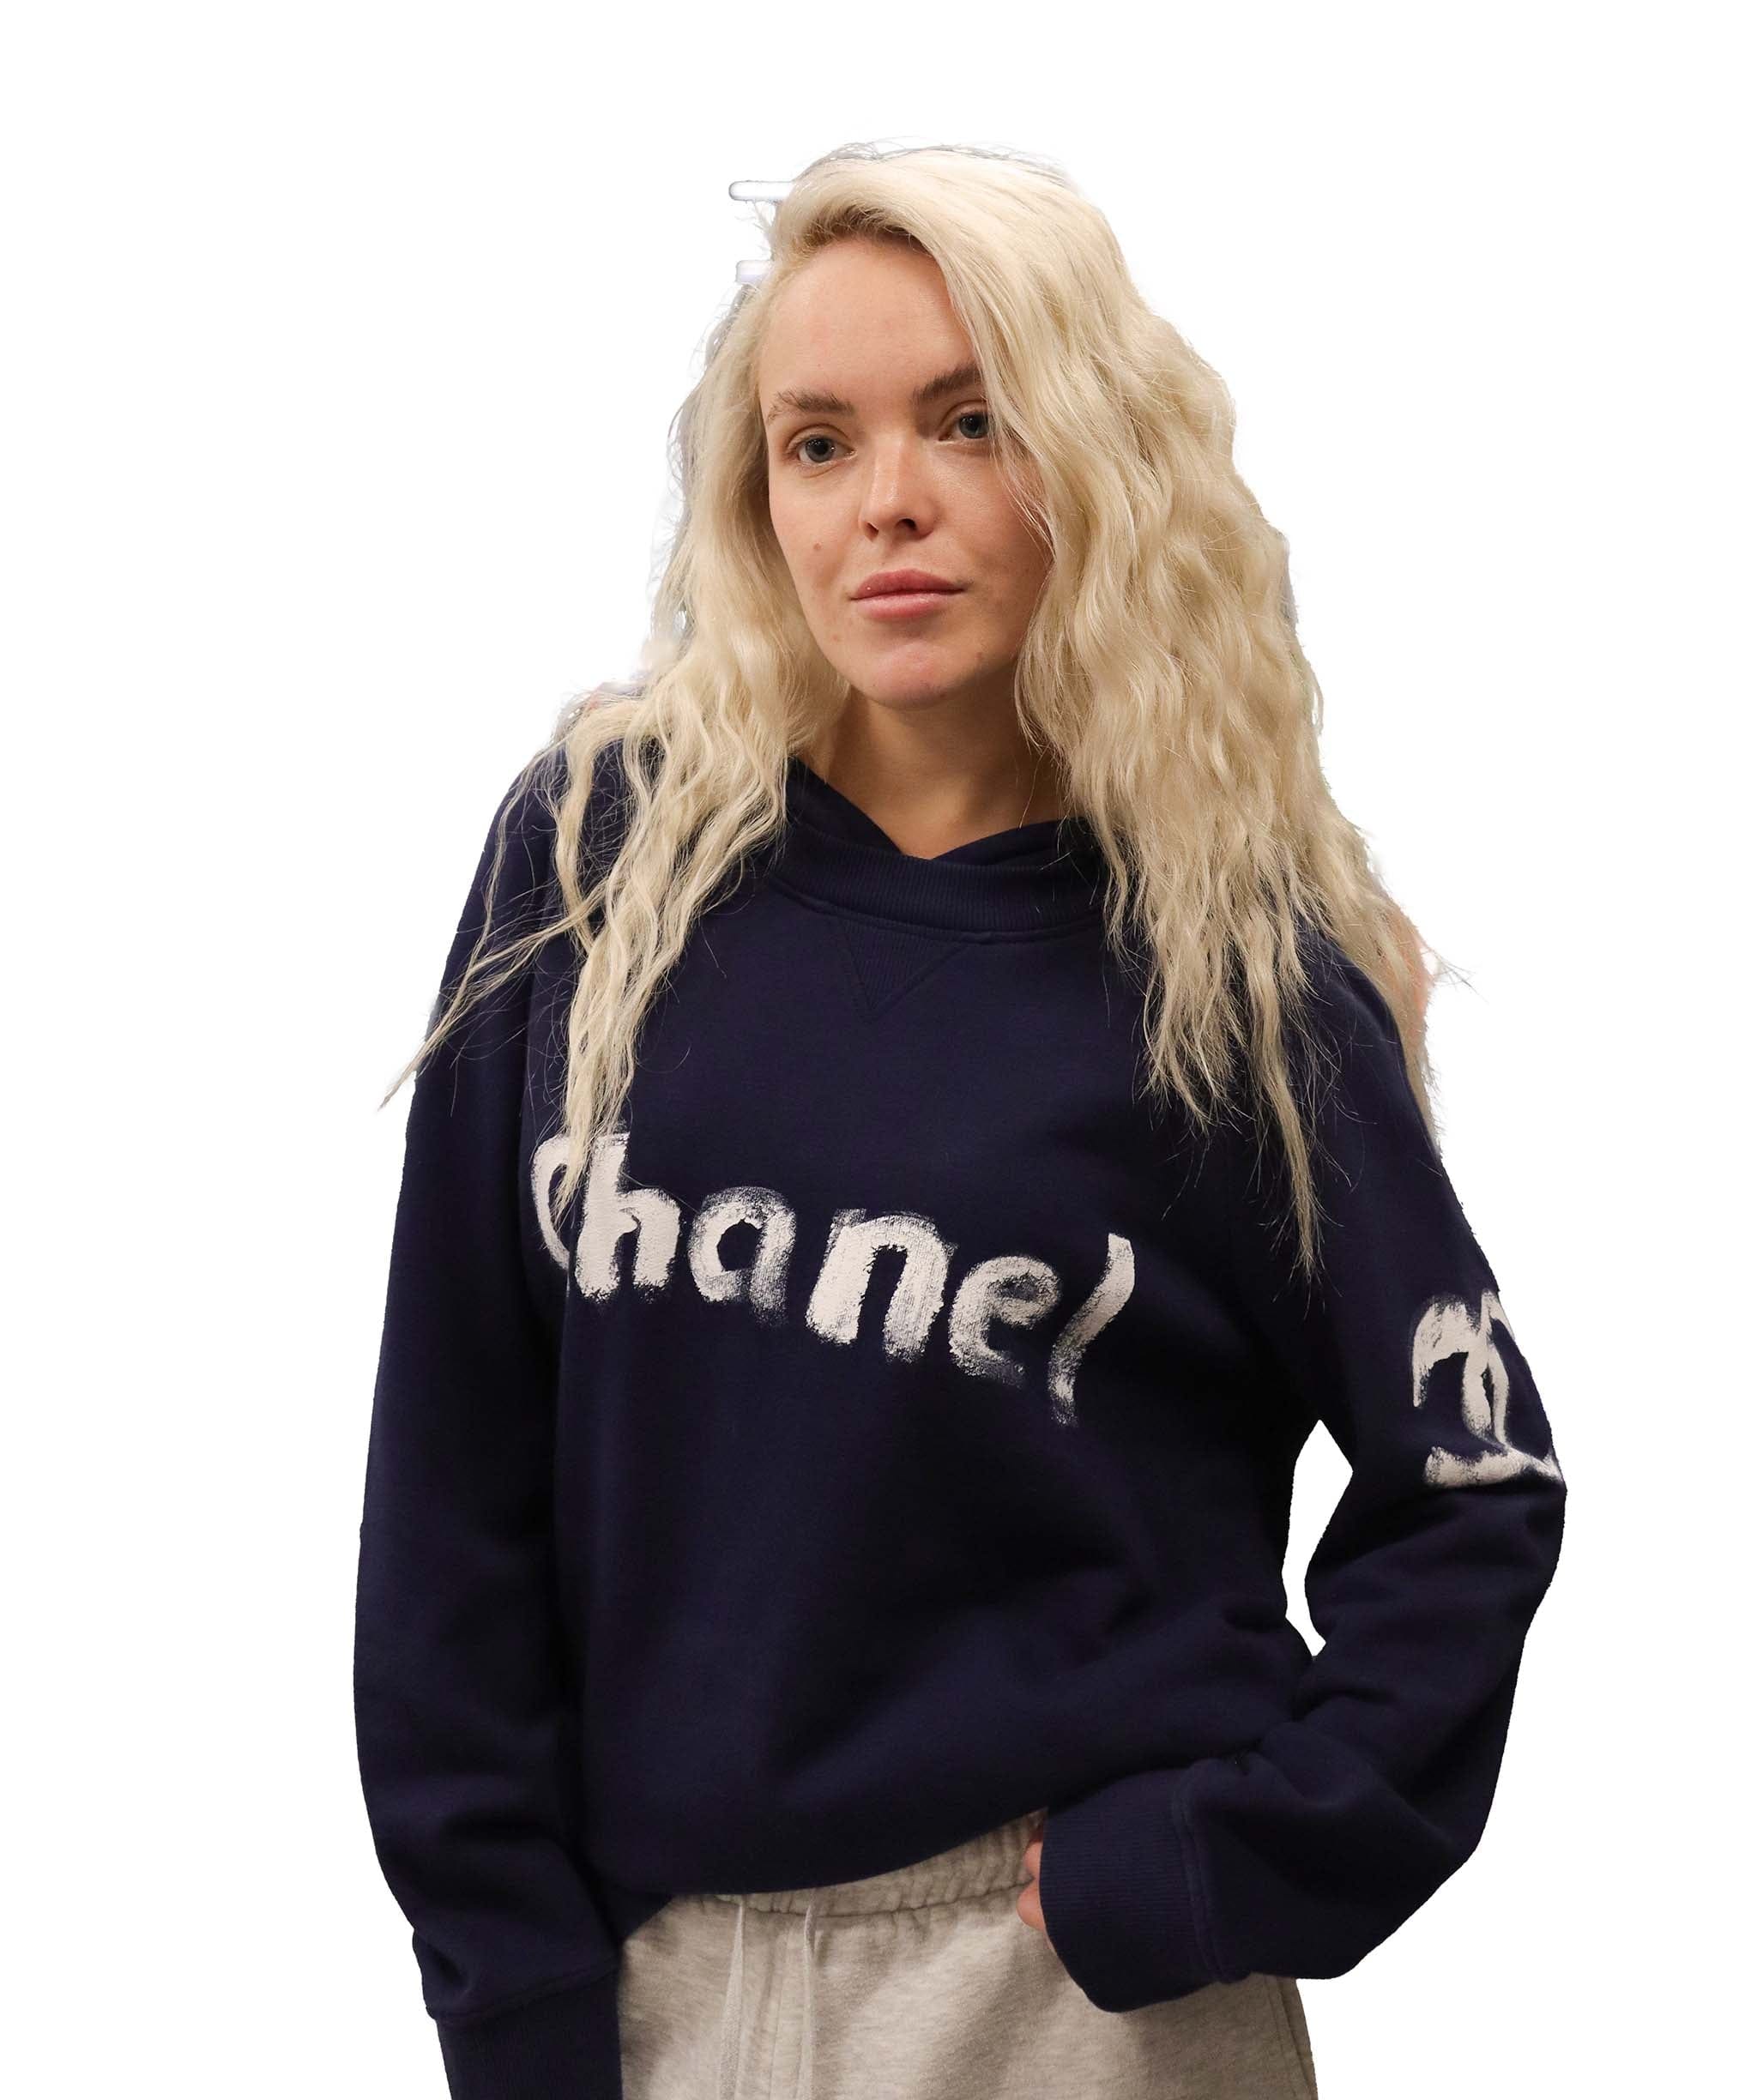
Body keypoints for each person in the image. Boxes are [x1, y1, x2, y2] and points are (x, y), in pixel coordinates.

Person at [353, 141, 1567, 2100]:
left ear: (1095, 458)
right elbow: (451, 1478)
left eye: (971, 421)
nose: (887, 502)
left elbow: (1472, 1487)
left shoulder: (1234, 971)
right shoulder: (596, 864)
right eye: (816, 444)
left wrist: (1214, 1862)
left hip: (1066, 2010)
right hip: (649, 1986)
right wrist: (510, 1986)